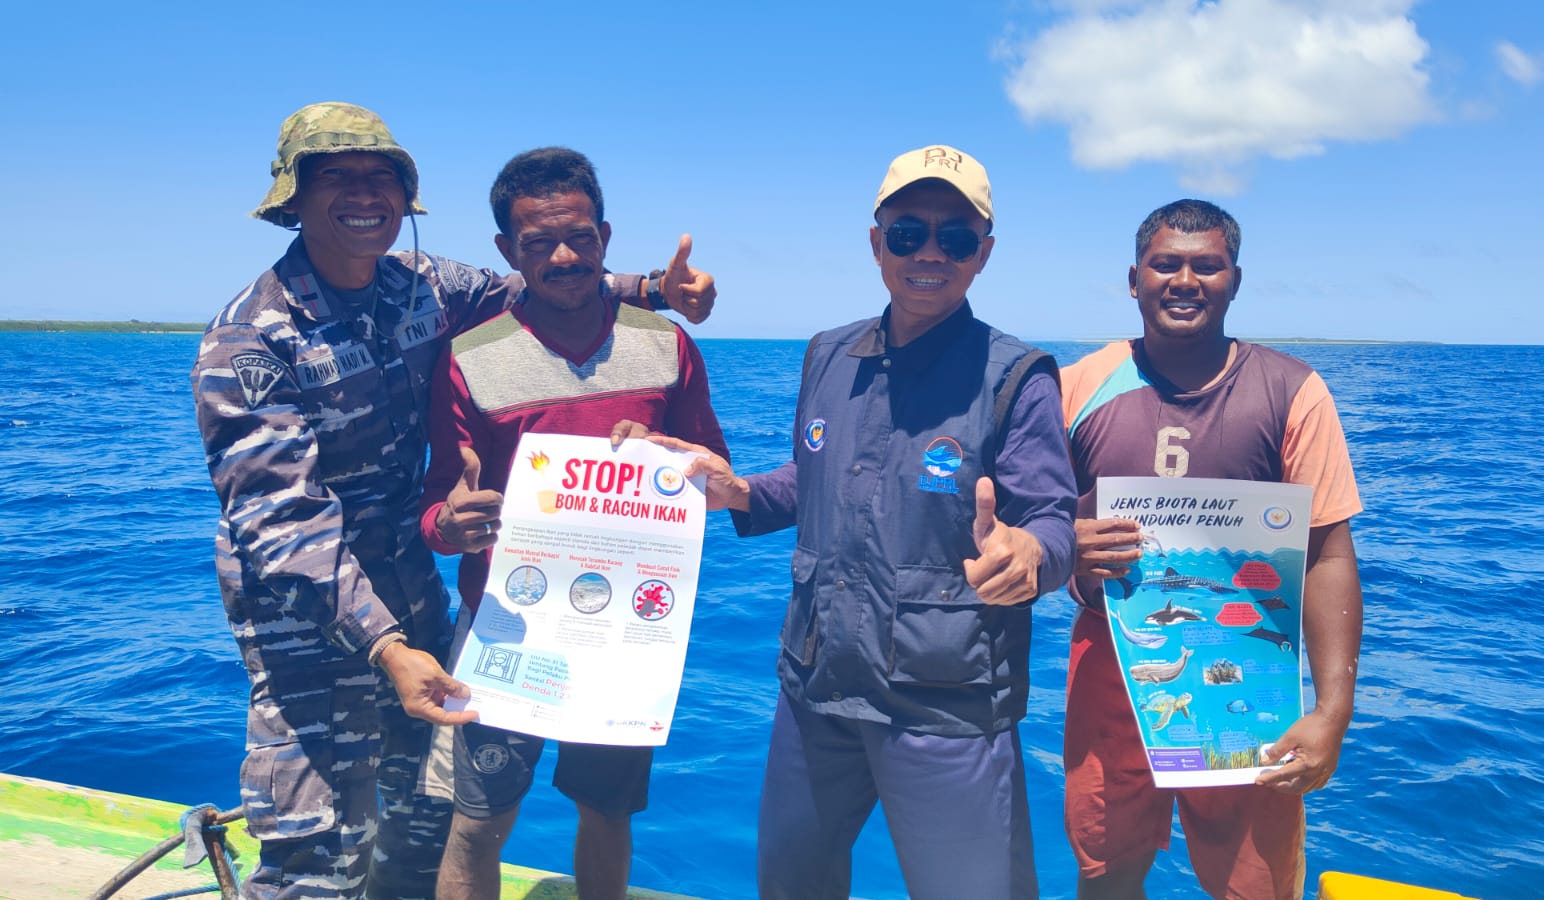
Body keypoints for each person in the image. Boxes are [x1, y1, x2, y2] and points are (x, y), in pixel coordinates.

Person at [191, 102, 714, 899]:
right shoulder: (250, 339)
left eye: (383, 177)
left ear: (406, 198)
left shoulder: (428, 286)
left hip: (419, 600)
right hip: (309, 625)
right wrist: (388, 650)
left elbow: (549, 273)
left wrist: (656, 289)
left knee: (419, 828)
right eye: (337, 177)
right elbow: (281, 524)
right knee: (316, 851)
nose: (365, 193)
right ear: (292, 198)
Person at [650, 145, 1077, 899]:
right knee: (789, 886)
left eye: (957, 236)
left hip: (946, 698)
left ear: (984, 254)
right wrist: (739, 489)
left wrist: (1032, 556)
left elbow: (1052, 519)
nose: (930, 253)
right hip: (817, 683)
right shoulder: (827, 354)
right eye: (909, 232)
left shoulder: (1016, 374)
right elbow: (814, 481)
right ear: (877, 242)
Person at [417, 147, 729, 900]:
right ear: (506, 252)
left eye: (581, 237)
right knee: (477, 820)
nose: (563, 256)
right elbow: (432, 507)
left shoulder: (667, 345)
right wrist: (448, 526)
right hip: (505, 630)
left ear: (606, 236)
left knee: (607, 812)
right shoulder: (468, 359)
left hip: (626, 636)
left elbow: (718, 481)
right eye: (537, 243)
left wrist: (683, 469)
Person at [1060, 199, 1364, 899]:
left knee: (1254, 887)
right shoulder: (1077, 385)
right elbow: (1027, 524)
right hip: (1111, 669)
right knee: (1105, 875)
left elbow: (1328, 556)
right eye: (1166, 264)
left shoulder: (1294, 391)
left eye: (1207, 266)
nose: (1185, 280)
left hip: (1250, 681)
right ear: (1133, 279)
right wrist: (1065, 547)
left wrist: (1332, 710)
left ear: (1235, 279)